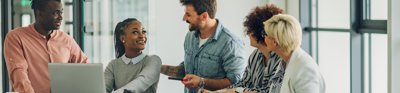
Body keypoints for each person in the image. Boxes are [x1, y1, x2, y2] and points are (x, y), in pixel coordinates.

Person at [160, 0, 246, 93]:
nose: (184, 18)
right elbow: (187, 70)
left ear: (204, 16)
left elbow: (235, 83)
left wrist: (202, 82)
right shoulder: (190, 36)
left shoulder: (231, 43)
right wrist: (156, 67)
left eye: (188, 14)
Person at [3, 0, 89, 93]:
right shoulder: (16, 37)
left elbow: (86, 68)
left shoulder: (66, 40)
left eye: (61, 12)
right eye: (56, 13)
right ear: (39, 13)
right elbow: (19, 77)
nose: (61, 17)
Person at [203, 4, 285, 93]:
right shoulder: (255, 56)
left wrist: (237, 91)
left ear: (261, 32)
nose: (248, 33)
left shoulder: (281, 59)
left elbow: (270, 91)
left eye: (251, 29)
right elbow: (243, 83)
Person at [263, 14, 326, 93]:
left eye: (266, 35)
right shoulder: (284, 62)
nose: (264, 38)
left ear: (275, 42)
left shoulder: (305, 69)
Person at [104, 18, 162, 93]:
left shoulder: (154, 61)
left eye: (143, 32)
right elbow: (103, 88)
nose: (142, 36)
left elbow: (139, 85)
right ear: (123, 38)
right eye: (135, 32)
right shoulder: (113, 65)